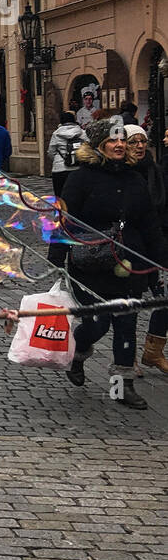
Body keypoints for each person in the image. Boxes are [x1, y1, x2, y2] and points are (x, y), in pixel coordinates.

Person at [47, 118, 168, 409]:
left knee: (126, 323)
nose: (119, 145)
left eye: (121, 140)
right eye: (112, 140)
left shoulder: (134, 179)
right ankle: (78, 352)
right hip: (91, 263)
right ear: (99, 145)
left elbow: (149, 223)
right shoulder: (81, 178)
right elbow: (64, 220)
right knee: (97, 322)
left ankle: (122, 386)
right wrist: (56, 258)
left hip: (129, 261)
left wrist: (160, 261)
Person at [124, 125, 168, 376]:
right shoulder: (121, 173)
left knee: (164, 298)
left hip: (156, 243)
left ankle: (153, 350)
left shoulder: (154, 169)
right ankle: (128, 358)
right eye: (134, 142)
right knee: (131, 302)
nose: (140, 146)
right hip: (128, 248)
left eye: (142, 141)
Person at [47, 111, 86, 200]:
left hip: (60, 169)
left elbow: (51, 152)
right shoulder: (83, 133)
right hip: (78, 168)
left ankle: (62, 213)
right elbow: (88, 149)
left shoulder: (56, 134)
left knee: (60, 196)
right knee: (77, 197)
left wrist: (59, 160)